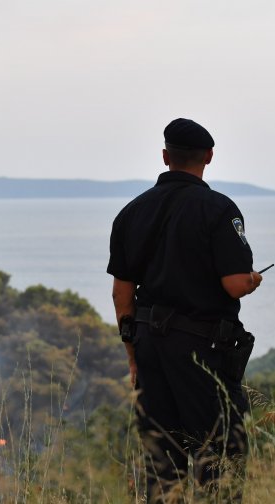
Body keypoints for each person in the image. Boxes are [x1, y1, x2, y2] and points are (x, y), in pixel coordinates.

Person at [107, 118, 263, 502]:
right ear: (208, 157)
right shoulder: (219, 209)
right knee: (221, 458)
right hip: (203, 353)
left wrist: (133, 355)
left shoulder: (131, 212)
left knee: (162, 463)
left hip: (149, 349)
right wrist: (253, 279)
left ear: (165, 156)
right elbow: (234, 283)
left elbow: (121, 295)